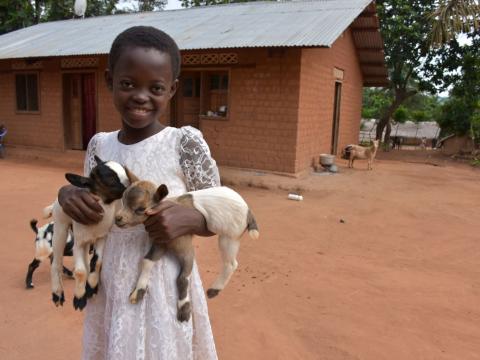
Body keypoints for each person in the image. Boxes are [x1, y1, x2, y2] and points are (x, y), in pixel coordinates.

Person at [57, 26, 219, 359]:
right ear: (109, 80)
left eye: (156, 87)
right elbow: (93, 202)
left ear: (172, 89)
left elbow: (220, 211)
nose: (141, 96)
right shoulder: (100, 144)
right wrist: (66, 195)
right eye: (128, 83)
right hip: (110, 283)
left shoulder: (184, 143)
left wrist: (188, 219)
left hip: (162, 284)